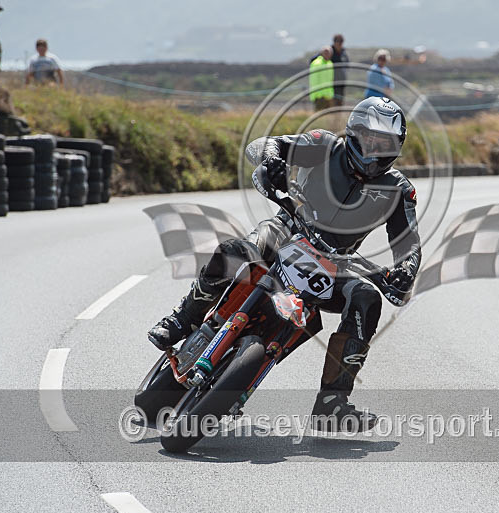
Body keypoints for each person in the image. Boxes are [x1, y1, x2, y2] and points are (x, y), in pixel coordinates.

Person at [148, 97, 420, 430]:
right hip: (287, 229)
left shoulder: (399, 190)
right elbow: (262, 145)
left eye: (384, 144)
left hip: (334, 263)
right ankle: (182, 319)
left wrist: (406, 270)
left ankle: (332, 404)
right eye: (369, 139)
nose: (374, 150)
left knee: (366, 298)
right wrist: (273, 160)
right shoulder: (323, 145)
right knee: (238, 250)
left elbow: (409, 244)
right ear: (353, 133)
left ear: (397, 147)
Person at [309, 46, 334, 111]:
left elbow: (330, 80)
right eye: (325, 52)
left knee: (328, 115)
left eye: (328, 52)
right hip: (319, 95)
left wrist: (331, 94)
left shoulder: (330, 63)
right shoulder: (316, 63)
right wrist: (316, 94)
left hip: (328, 95)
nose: (327, 54)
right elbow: (313, 80)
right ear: (322, 53)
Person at [331, 34, 349, 103]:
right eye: (338, 41)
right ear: (334, 42)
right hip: (331, 82)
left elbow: (347, 64)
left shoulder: (343, 52)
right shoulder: (329, 51)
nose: (339, 43)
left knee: (340, 101)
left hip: (341, 81)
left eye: (341, 41)